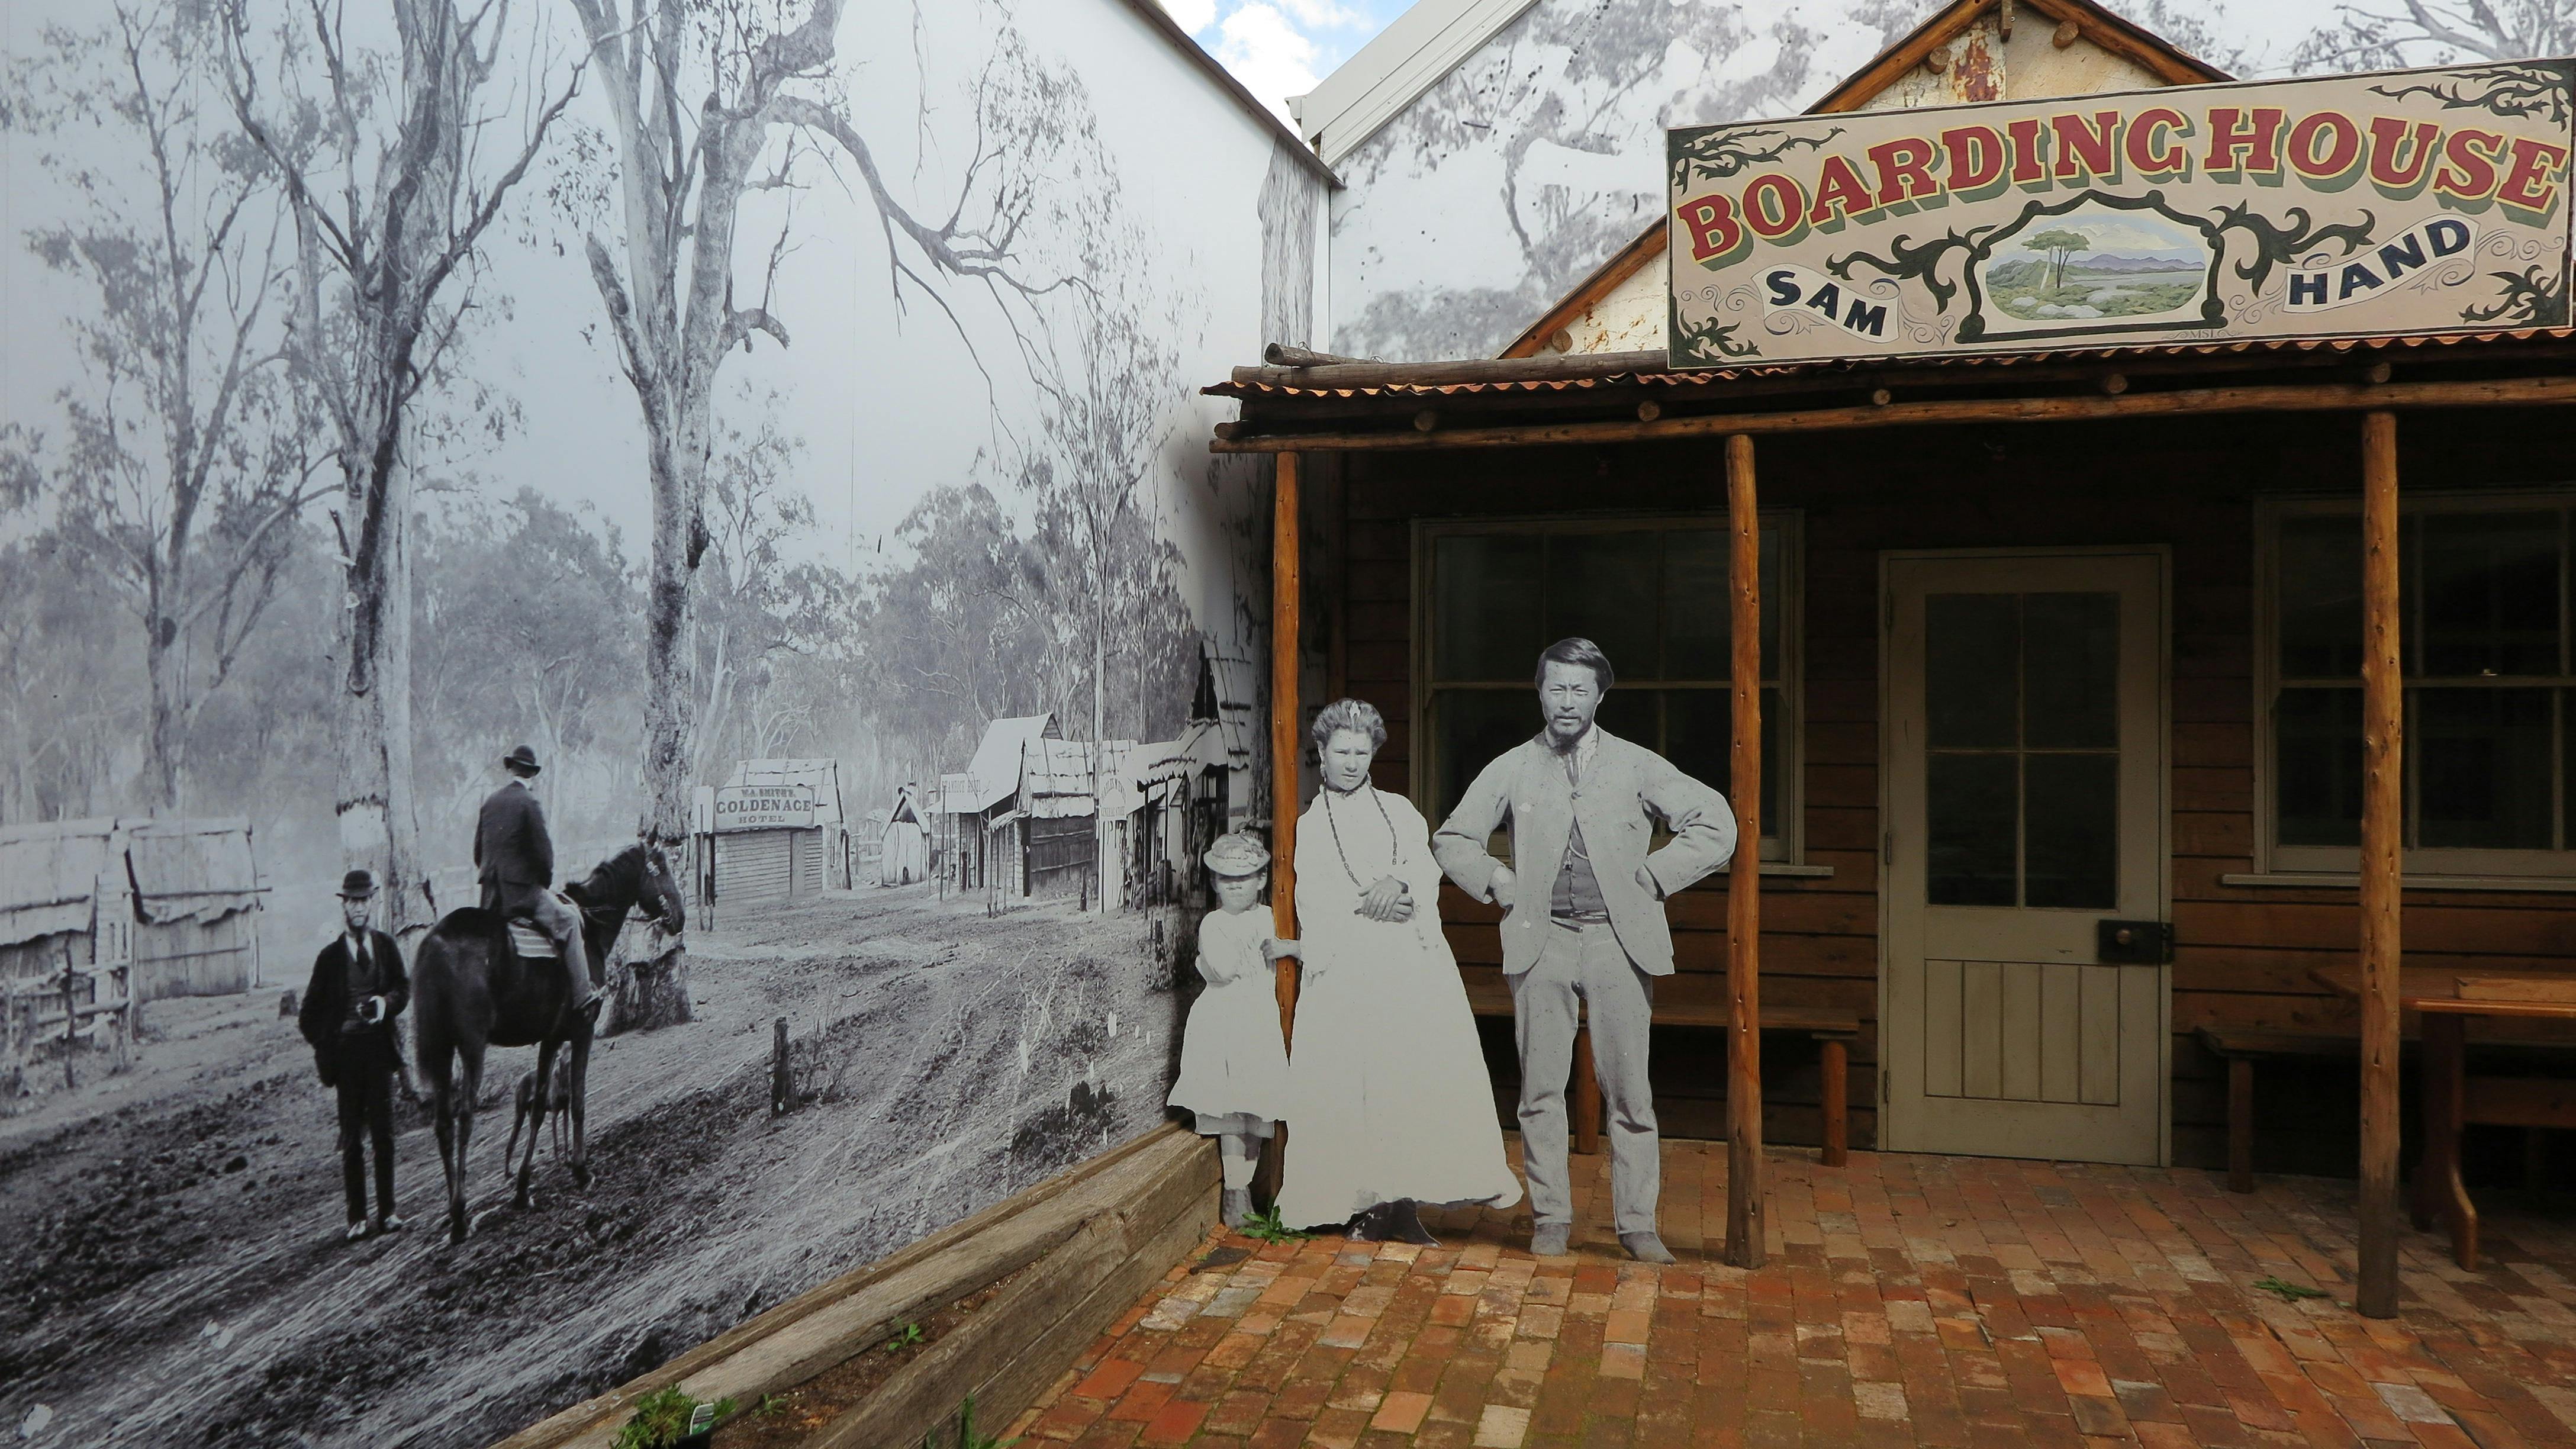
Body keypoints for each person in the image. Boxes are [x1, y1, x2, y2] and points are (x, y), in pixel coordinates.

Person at [1434, 638, 1736, 1265]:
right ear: (1538, 692)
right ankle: (1550, 1218)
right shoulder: (1512, 766)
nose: (1566, 702)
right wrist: (1496, 878)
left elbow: (1715, 823)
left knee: (1629, 1092)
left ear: (1599, 695)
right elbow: (1453, 837)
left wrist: (1656, 875)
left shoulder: (1636, 765)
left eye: (1579, 690)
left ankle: (1636, 1226)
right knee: (1541, 1089)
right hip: (1540, 944)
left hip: (1616, 944)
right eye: (1555, 688)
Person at [1274, 697, 1521, 1244]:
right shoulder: (1310, 827)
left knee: (1407, 1076)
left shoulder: (1401, 811)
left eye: (1362, 752)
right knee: (1357, 1080)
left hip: (1409, 965)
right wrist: (1374, 902)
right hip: (1348, 971)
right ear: (1320, 752)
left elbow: (1421, 867)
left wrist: (1402, 886)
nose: (1352, 763)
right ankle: (1360, 1203)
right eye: (1341, 751)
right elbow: (1316, 897)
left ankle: (1401, 1201)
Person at [1167, 832, 1293, 1229]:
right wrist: (1257, 949)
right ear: (1215, 883)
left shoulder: (1271, 917)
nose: (1236, 885)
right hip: (1224, 1024)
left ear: (1260, 880)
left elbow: (1279, 952)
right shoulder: (1215, 923)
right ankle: (1234, 1193)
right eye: (1226, 878)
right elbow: (1222, 969)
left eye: (1246, 876)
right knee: (1232, 1109)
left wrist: (1284, 946)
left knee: (1255, 1106)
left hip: (1258, 1023)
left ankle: (1248, 1185)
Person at [298, 869, 410, 1240]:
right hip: (346, 1058)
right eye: (352, 902)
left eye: (364, 901)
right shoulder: (329, 959)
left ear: (372, 903)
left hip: (379, 1052)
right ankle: (357, 1219)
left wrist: (385, 1003)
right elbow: (308, 1016)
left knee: (384, 1135)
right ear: (344, 906)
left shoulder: (386, 947)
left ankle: (389, 1213)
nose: (359, 908)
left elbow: (403, 989)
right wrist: (329, 1043)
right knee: (351, 1139)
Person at [475, 744, 597, 1023]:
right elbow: (544, 856)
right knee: (568, 920)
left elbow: (477, 854)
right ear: (532, 774)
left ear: (511, 769)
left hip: (490, 898)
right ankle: (582, 998)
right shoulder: (530, 803)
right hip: (521, 895)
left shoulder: (490, 803)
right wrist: (542, 884)